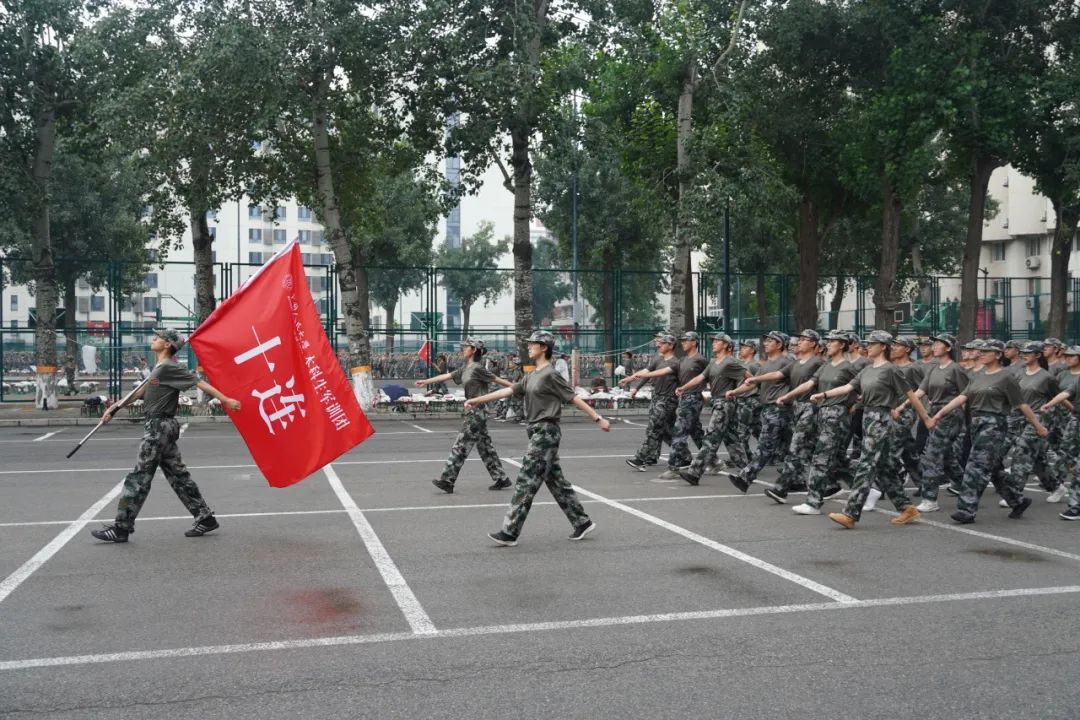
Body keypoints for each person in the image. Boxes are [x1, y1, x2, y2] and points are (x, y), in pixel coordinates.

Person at [90, 328, 241, 543]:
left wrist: (226, 400)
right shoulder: (159, 368)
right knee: (178, 476)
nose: (154, 339)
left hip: (158, 427)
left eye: (158, 337)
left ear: (168, 344)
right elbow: (139, 393)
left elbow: (198, 382)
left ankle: (121, 528)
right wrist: (113, 409)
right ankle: (205, 518)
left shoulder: (170, 367)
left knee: (139, 478)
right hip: (161, 427)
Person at [465, 330, 609, 546]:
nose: (529, 347)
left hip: (546, 432)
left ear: (544, 347)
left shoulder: (551, 374)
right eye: (529, 343)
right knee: (556, 481)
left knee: (526, 480)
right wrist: (478, 400)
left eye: (533, 344)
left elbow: (573, 398)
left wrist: (598, 418)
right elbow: (508, 391)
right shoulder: (531, 375)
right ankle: (582, 522)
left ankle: (510, 532)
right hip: (535, 430)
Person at [810, 330, 930, 530]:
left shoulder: (891, 370)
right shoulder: (867, 370)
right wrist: (823, 395)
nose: (868, 347)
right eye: (868, 343)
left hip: (881, 420)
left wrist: (926, 418)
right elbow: (848, 388)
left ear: (883, 346)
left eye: (873, 344)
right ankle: (906, 508)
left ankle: (850, 514)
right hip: (868, 418)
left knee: (866, 465)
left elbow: (911, 395)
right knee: (885, 468)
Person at [928, 339, 1048, 524]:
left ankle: (966, 510)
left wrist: (1038, 426)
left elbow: (1021, 405)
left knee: (975, 466)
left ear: (998, 355)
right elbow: (962, 397)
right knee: (993, 469)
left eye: (986, 351)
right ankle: (1018, 500)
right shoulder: (977, 376)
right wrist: (940, 414)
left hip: (994, 425)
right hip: (976, 423)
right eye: (981, 351)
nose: (981, 354)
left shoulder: (1006, 377)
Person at [417, 338, 513, 493]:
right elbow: (446, 376)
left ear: (474, 350)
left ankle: (447, 480)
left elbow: (497, 380)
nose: (463, 349)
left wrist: (518, 387)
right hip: (473, 410)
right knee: (485, 447)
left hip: (478, 411)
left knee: (461, 445)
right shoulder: (465, 368)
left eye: (466, 347)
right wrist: (426, 381)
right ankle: (501, 478)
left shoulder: (477, 368)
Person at [788, 330, 859, 515]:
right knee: (838, 460)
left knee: (821, 458)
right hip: (822, 413)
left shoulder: (848, 367)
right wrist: (788, 396)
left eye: (832, 341)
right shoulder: (826, 365)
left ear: (842, 345)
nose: (828, 344)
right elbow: (809, 384)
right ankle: (868, 488)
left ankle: (813, 502)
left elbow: (862, 388)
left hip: (837, 415)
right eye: (827, 341)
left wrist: (853, 405)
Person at [901, 333, 968, 512]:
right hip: (934, 411)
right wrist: (902, 406)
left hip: (951, 414)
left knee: (931, 455)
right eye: (934, 343)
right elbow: (920, 392)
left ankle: (930, 499)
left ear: (949, 348)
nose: (934, 346)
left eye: (939, 344)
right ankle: (967, 487)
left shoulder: (956, 369)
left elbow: (966, 395)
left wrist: (967, 422)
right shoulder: (933, 369)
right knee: (946, 456)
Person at [724, 331, 793, 492]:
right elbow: (751, 384)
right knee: (793, 448)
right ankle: (799, 479)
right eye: (765, 341)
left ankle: (745, 477)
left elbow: (777, 377)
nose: (765, 343)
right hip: (768, 409)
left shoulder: (787, 361)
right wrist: (735, 392)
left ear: (780, 344)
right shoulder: (767, 364)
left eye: (770, 341)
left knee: (765, 446)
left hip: (780, 409)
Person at [675, 332, 747, 485]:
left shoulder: (730, 362)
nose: (713, 343)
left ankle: (694, 473)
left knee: (710, 438)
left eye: (717, 341)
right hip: (717, 402)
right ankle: (747, 471)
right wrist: (684, 387)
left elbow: (750, 379)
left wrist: (736, 391)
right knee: (732, 440)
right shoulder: (714, 362)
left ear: (726, 345)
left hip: (725, 404)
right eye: (713, 341)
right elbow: (700, 378)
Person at [762, 329, 824, 502]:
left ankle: (781, 489)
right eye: (800, 339)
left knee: (796, 448)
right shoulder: (796, 363)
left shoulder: (817, 363)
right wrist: (755, 379)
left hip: (811, 408)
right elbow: (777, 374)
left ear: (813, 344)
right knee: (809, 451)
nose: (799, 342)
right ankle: (833, 484)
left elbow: (811, 385)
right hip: (798, 408)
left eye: (804, 339)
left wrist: (787, 396)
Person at [621, 332, 680, 471]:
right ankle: (683, 455)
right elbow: (646, 371)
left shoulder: (675, 362)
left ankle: (640, 458)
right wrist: (630, 379)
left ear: (670, 345)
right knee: (666, 431)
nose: (658, 344)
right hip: (657, 397)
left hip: (667, 400)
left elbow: (654, 373)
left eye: (662, 343)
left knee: (653, 429)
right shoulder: (658, 359)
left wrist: (639, 375)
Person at [1040, 345, 1080, 520]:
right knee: (1066, 452)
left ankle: (1075, 505)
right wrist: (1050, 404)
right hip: (1075, 419)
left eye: (1073, 356)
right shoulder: (1071, 377)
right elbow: (1066, 393)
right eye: (1067, 355)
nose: (1068, 358)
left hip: (1072, 418)